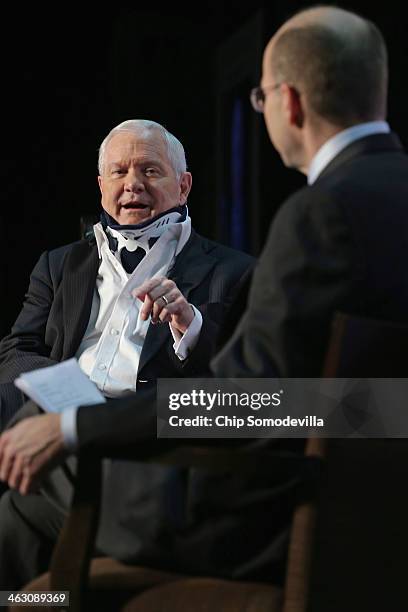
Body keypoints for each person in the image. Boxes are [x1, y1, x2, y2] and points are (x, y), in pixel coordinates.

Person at [0, 119, 254, 588]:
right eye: (118, 172)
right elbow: (17, 349)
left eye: (150, 171)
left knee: (16, 506)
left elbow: (244, 388)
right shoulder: (59, 265)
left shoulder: (234, 271)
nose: (132, 184)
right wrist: (56, 395)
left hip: (143, 443)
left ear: (184, 185)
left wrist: (189, 323)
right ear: (101, 187)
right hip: (60, 418)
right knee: (14, 505)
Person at [212, 5, 408, 377]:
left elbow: (250, 401)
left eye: (262, 96)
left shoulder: (319, 214)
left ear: (290, 102)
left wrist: (80, 425)